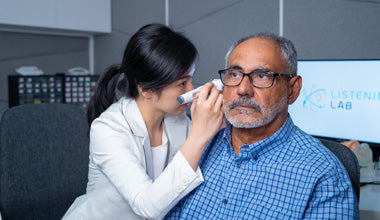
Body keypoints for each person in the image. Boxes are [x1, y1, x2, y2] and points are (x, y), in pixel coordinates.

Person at [165, 33, 359, 219]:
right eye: (234, 74)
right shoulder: (198, 149)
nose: (242, 89)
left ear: (292, 90)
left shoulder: (323, 174)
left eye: (262, 76)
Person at [63, 23, 224, 220]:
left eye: (191, 79)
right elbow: (147, 207)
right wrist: (200, 133)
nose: (191, 90)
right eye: (182, 83)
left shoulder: (178, 120)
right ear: (146, 89)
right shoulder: (107, 129)